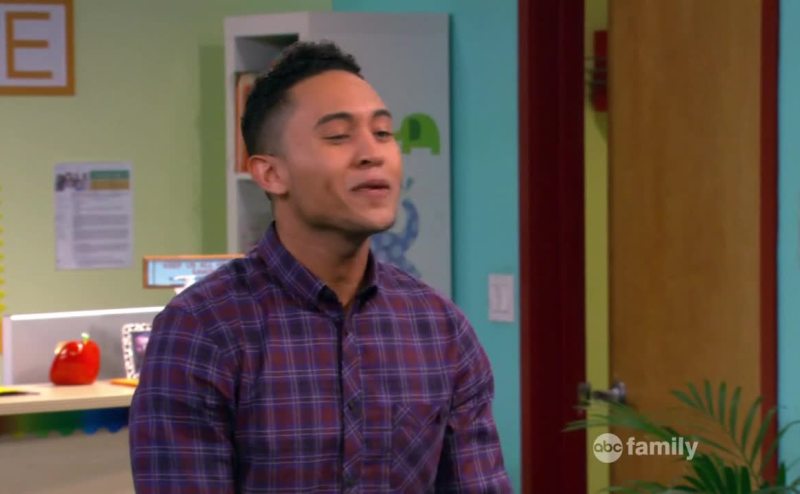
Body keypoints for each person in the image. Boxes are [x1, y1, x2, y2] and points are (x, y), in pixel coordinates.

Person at [129, 41, 512, 493]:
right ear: (271, 174)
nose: (372, 153)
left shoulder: (439, 328)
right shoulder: (202, 330)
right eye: (338, 136)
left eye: (383, 133)